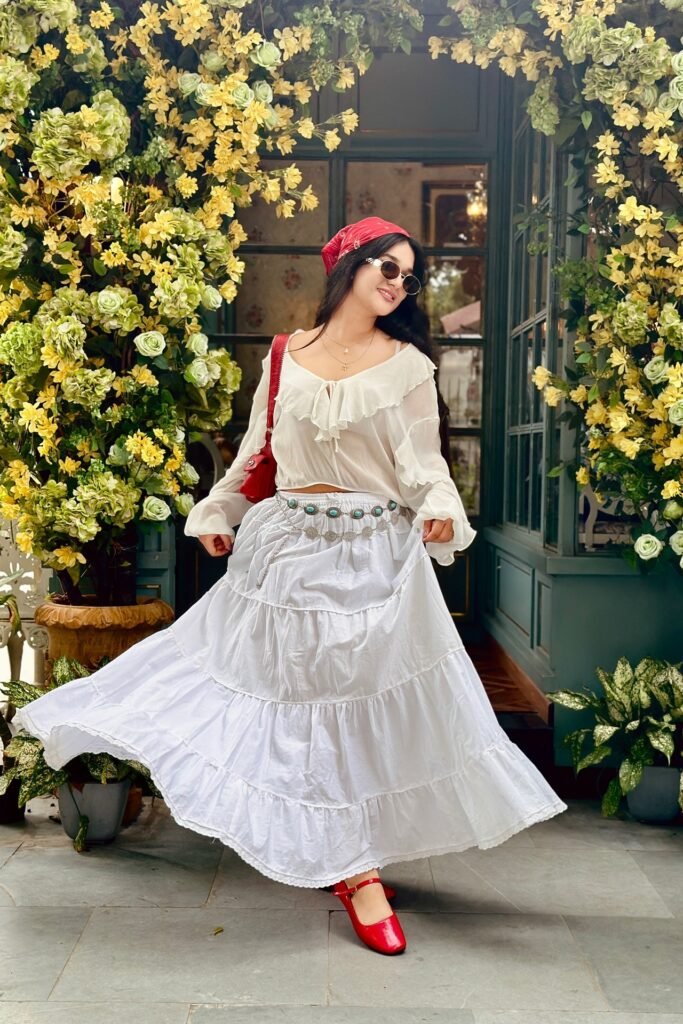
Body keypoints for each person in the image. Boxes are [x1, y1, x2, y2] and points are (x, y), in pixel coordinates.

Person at [14, 216, 567, 957]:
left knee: (351, 714)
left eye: (406, 274)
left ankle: (353, 862)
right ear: (347, 266)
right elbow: (256, 453)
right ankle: (349, 863)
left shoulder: (407, 364)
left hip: (372, 557)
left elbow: (424, 464)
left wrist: (437, 511)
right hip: (285, 554)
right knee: (288, 711)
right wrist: (220, 509)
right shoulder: (285, 356)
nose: (396, 282)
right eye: (385, 265)